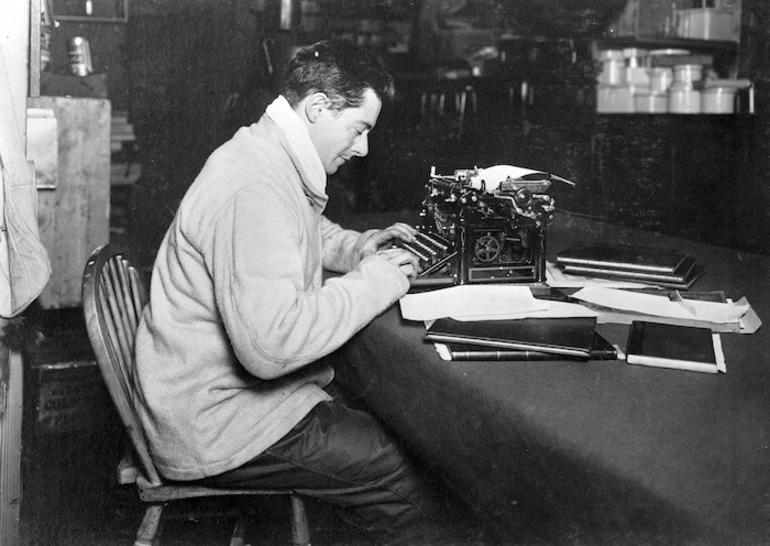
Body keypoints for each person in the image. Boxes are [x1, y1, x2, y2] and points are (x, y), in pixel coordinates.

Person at [133, 38, 475, 544]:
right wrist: (380, 278)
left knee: (383, 425)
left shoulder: (263, 154)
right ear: (317, 108)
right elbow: (271, 348)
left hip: (208, 403)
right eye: (359, 129)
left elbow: (301, 229)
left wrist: (360, 247)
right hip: (216, 424)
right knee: (404, 469)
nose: (363, 148)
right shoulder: (255, 185)